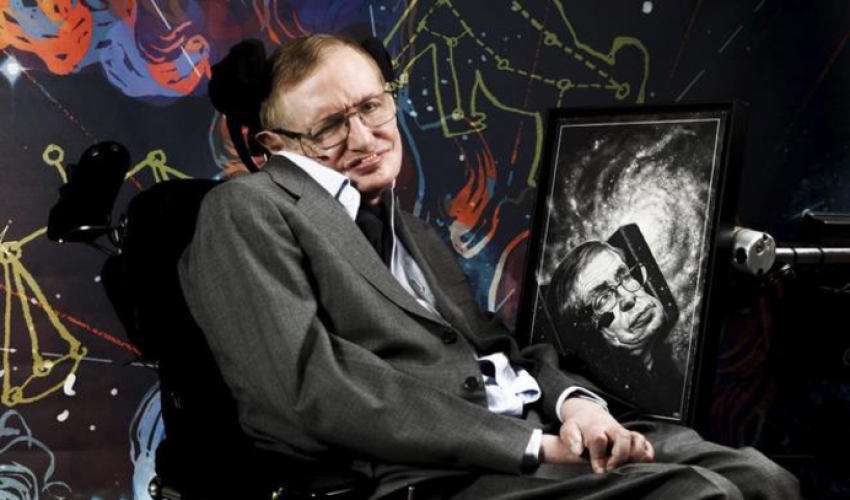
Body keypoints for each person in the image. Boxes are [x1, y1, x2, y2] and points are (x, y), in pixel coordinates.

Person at [178, 33, 801, 499]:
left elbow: (495, 347)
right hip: (434, 473)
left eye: (371, 107)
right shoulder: (245, 208)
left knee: (761, 479)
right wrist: (532, 447)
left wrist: (576, 406)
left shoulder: (407, 228)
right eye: (330, 128)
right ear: (276, 147)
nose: (364, 138)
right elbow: (309, 388)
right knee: (697, 495)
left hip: (530, 429)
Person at [545, 241, 684, 417]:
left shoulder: (687, 358)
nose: (629, 298)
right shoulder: (606, 413)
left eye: (626, 276)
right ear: (585, 333)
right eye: (603, 299)